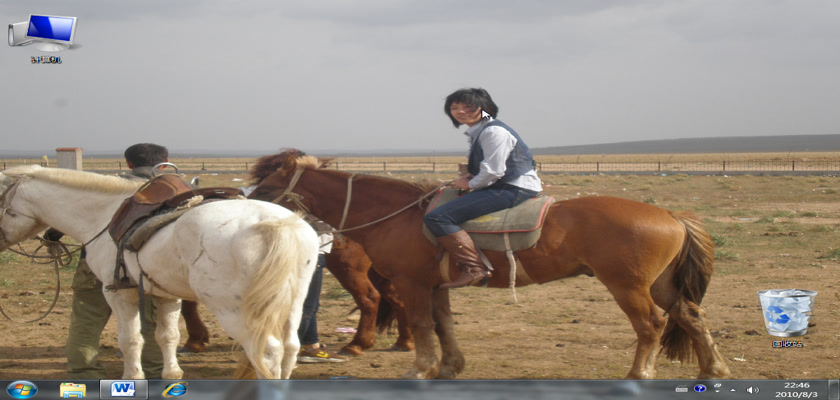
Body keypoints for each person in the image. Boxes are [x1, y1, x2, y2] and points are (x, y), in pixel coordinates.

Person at [58, 143, 170, 379]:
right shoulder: (170, 190)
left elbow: (70, 216)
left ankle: (84, 372)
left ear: (129, 163)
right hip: (146, 265)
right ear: (165, 163)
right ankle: (153, 372)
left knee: (87, 320)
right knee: (150, 319)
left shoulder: (103, 188)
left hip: (95, 263)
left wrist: (52, 235)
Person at [424, 88, 543, 289]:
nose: (460, 111)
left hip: (511, 187)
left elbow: (494, 171)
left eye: (468, 107)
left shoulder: (492, 131)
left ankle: (474, 268)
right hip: (504, 184)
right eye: (454, 108)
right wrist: (473, 176)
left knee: (437, 217)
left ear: (484, 108)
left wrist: (469, 184)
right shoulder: (482, 129)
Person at [296, 228, 348, 363]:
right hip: (311, 251)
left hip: (306, 250)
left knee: (310, 305)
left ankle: (310, 346)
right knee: (308, 306)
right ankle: (291, 348)